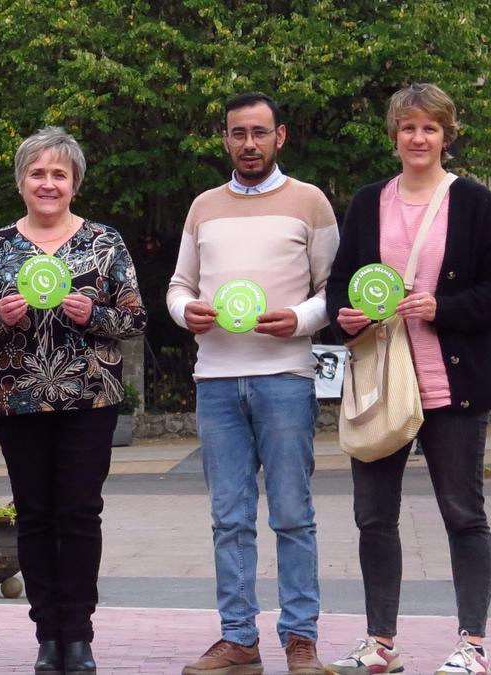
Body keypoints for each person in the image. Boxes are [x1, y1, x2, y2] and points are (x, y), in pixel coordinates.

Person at [323, 83, 491, 675]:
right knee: (373, 516)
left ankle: (472, 644)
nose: (418, 138)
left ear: (446, 136)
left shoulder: (476, 204)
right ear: (394, 136)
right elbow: (339, 288)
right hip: (382, 383)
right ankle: (379, 644)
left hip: (452, 385)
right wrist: (347, 317)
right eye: (408, 127)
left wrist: (443, 308)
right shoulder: (367, 203)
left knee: (463, 513)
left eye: (430, 128)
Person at [0, 126, 147, 675]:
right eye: (37, 173)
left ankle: (80, 635)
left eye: (58, 174)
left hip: (89, 399)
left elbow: (135, 318)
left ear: (74, 183)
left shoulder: (105, 242)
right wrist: (0, 317)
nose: (47, 183)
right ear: (21, 182)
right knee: (35, 516)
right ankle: (47, 634)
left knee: (81, 514)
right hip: (19, 400)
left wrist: (96, 315)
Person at [166, 92, 338, 675]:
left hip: (286, 378)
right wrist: (184, 311)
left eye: (259, 133)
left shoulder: (310, 202)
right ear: (225, 139)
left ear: (280, 137)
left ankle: (300, 638)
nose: (249, 144)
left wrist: (303, 320)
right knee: (229, 518)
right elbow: (177, 285)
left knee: (293, 514)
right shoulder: (202, 207)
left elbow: (332, 289)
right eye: (238, 133)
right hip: (216, 380)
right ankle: (238, 639)